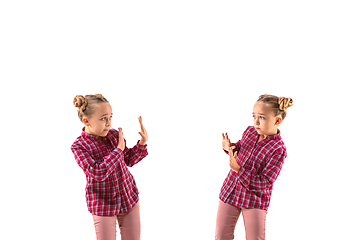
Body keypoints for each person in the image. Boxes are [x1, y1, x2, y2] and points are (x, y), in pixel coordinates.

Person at [215, 94, 293, 240]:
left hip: (254, 199)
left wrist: (239, 169)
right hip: (231, 190)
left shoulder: (278, 149)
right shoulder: (250, 132)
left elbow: (266, 181)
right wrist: (229, 147)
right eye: (254, 116)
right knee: (221, 236)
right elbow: (239, 148)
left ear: (277, 120)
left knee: (255, 238)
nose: (256, 121)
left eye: (262, 117)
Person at [71, 94, 148, 240]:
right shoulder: (79, 147)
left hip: (128, 197)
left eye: (110, 117)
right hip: (102, 204)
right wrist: (118, 150)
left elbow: (129, 160)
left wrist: (142, 143)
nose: (108, 123)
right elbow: (98, 172)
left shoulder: (113, 136)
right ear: (86, 121)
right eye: (103, 118)